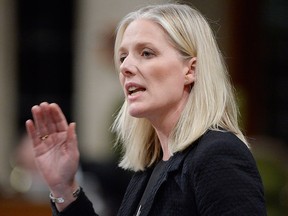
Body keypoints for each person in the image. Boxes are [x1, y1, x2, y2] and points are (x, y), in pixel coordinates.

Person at [25, 3, 266, 216]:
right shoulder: (151, 167)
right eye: (122, 57)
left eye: (146, 53)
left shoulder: (218, 155)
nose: (126, 67)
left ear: (190, 70)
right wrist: (64, 187)